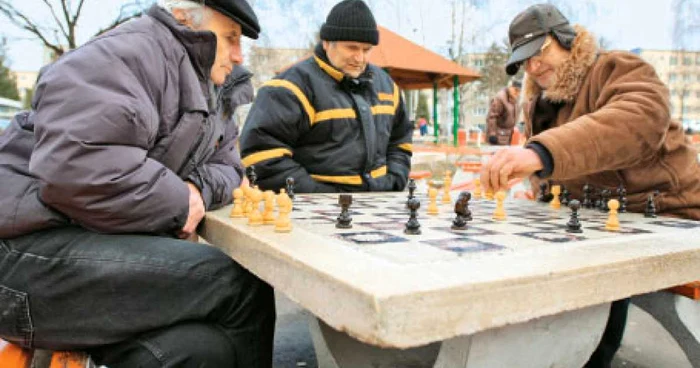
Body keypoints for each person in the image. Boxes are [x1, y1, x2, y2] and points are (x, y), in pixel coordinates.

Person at [0, 0, 276, 367]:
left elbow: (229, 167)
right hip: (24, 255)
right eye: (230, 38)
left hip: (86, 240)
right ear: (184, 15)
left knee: (204, 348)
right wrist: (179, 201)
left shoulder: (210, 86)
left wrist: (196, 190)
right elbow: (77, 168)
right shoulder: (124, 55)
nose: (240, 55)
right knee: (239, 285)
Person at [481, 3, 700, 368]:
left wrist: (539, 154)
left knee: (595, 309)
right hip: (601, 227)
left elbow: (637, 121)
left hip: (666, 216)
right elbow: (562, 171)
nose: (534, 66)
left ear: (566, 39)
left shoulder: (616, 68)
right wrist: (539, 188)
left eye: (541, 52)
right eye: (525, 60)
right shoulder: (541, 103)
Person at [239, 0, 413, 193]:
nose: (360, 58)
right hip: (315, 212)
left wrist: (395, 179)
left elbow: (401, 139)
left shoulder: (386, 85)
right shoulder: (288, 88)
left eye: (366, 49)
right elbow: (262, 156)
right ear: (327, 42)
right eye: (352, 47)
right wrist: (319, 196)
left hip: (378, 204)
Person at [486, 80, 521, 145]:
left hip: (508, 136)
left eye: (519, 91)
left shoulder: (514, 99)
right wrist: (492, 134)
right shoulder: (500, 98)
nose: (517, 93)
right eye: (516, 90)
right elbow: (492, 116)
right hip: (498, 136)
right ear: (510, 87)